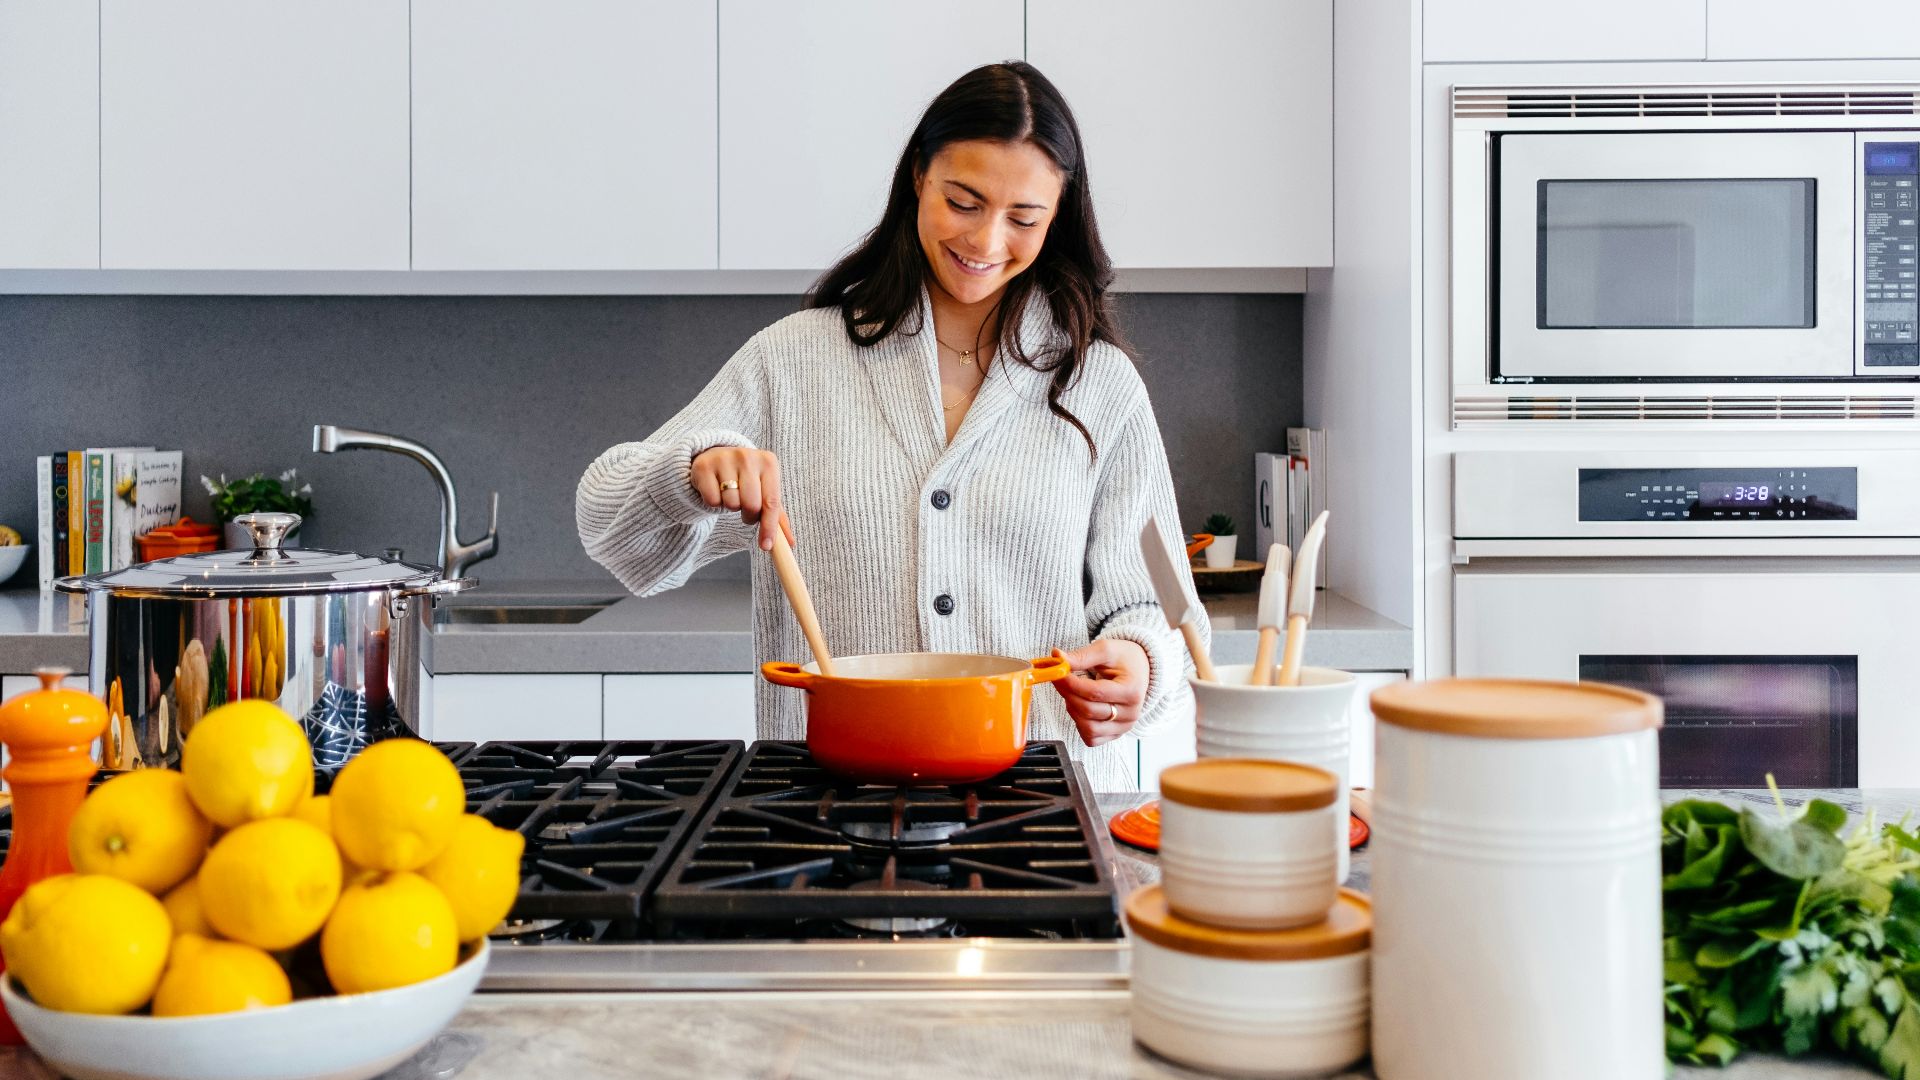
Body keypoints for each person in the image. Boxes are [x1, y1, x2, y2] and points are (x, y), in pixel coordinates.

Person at [575, 61, 1207, 792]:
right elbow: (608, 528)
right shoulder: (796, 361)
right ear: (917, 177)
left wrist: (1137, 663)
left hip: (1034, 812)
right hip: (821, 810)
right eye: (963, 201)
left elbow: (1159, 608)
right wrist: (689, 474)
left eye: (1023, 218)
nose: (987, 239)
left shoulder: (1099, 384)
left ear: (1058, 214)